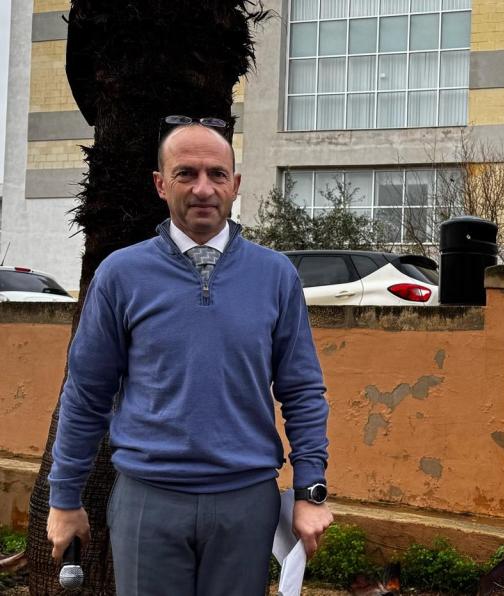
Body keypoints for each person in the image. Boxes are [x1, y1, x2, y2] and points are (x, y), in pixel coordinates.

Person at [45, 118, 334, 595]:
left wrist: (310, 490)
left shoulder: (276, 275)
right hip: (148, 500)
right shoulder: (121, 275)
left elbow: (302, 391)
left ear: (235, 184)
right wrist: (64, 498)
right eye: (186, 173)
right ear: (161, 184)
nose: (203, 188)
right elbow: (86, 394)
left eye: (217, 174)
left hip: (246, 502)